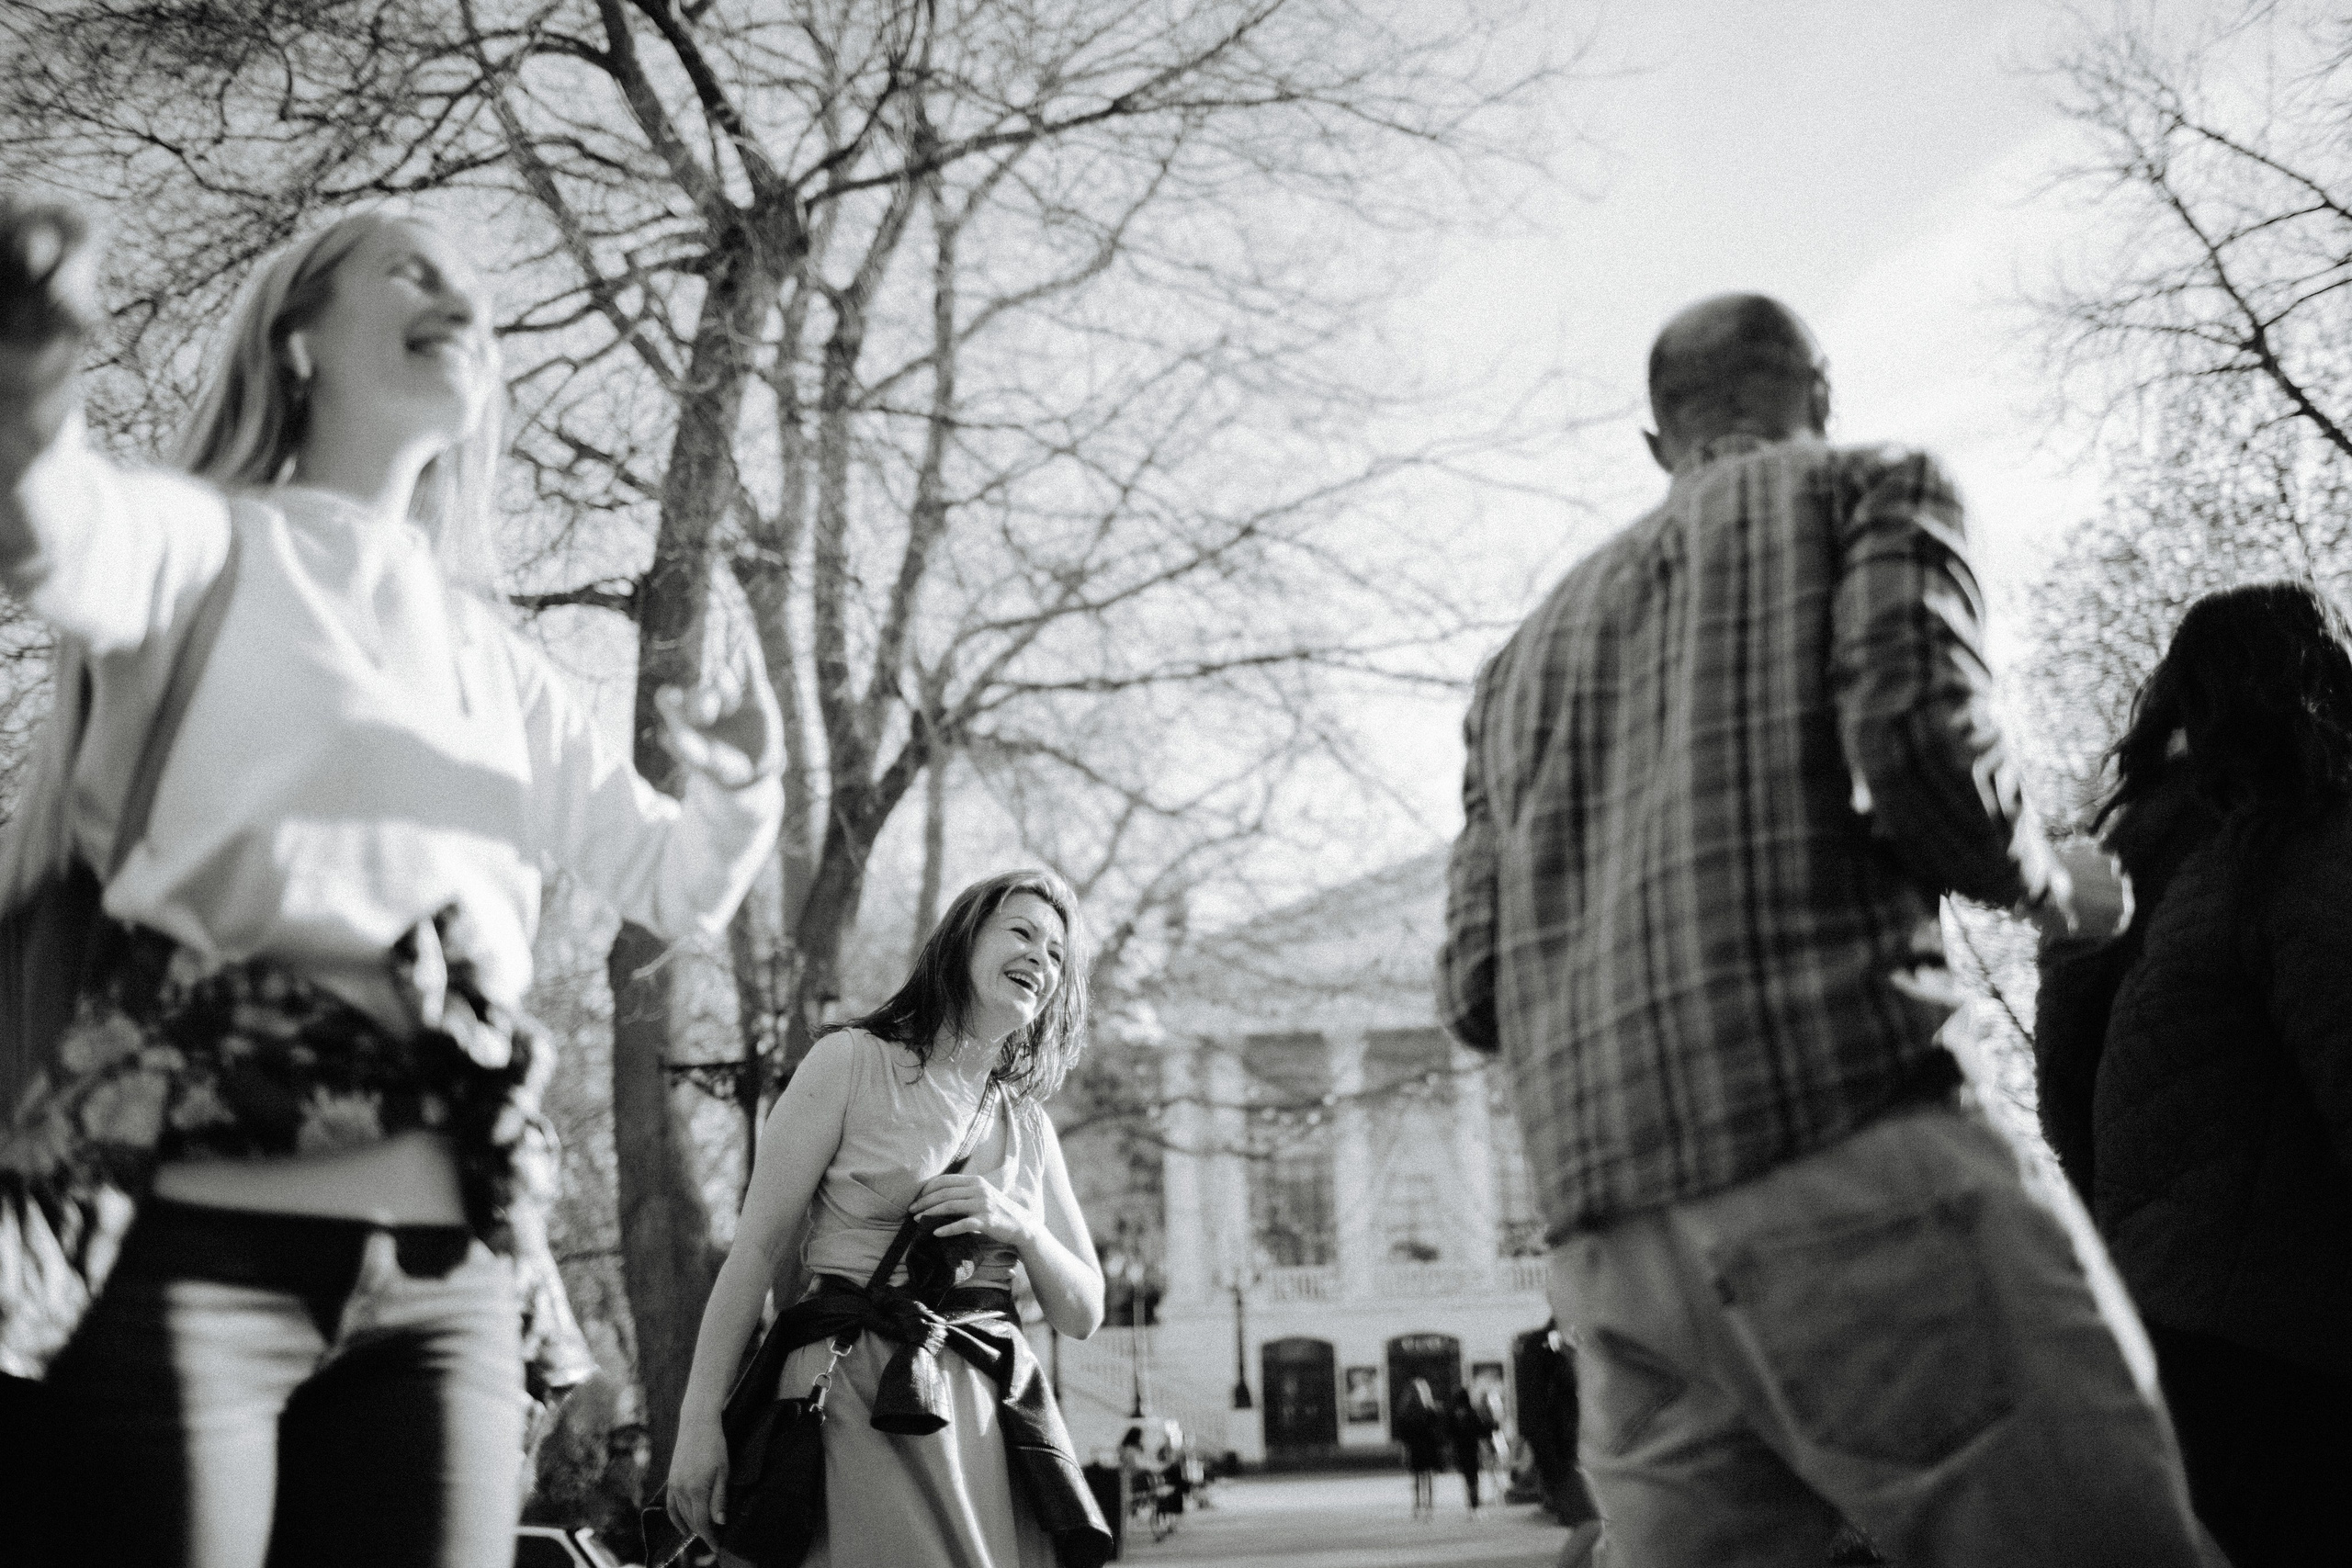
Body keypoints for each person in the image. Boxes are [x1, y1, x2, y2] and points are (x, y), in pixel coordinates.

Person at [0, 194, 781, 1568]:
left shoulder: (499, 660)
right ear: (297, 340)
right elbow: (53, 527)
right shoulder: (205, 546)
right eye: (409, 269)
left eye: (473, 286)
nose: (458, 295)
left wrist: (740, 787)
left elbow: (676, 880)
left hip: (447, 1294)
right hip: (194, 1259)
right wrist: (27, 373)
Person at [1437, 293, 2214, 1568]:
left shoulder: (1515, 664)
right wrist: (2060, 886)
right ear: (1822, 390)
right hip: (1848, 1149)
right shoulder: (1872, 488)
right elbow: (1918, 742)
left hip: (1618, 1264)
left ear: (1657, 443)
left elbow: (1476, 985)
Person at [664, 870, 1113, 1568]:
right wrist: (699, 1422)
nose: (1042, 959)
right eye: (1022, 932)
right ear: (962, 940)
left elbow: (1085, 1310)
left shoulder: (1029, 1125)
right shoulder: (848, 1062)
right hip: (854, 1392)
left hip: (986, 1418)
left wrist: (1022, 1225)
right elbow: (752, 1252)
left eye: (1058, 953)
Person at [2034, 581, 2352, 1567]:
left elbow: (2065, 1112)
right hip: (2293, 1354)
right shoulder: (2298, 829)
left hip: (2146, 1348)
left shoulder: (2114, 866)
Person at [1396, 1376, 1444, 1521]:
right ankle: (1428, 1507)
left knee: (1418, 1478)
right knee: (1427, 1478)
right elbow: (1437, 1431)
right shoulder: (1429, 1410)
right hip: (1427, 1448)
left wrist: (1405, 1450)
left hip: (1417, 1448)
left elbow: (1404, 1435)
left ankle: (1418, 1507)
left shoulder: (1407, 1411)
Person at [1445, 1385, 1494, 1514]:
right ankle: (1474, 1500)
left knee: (1467, 1476)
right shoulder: (1472, 1413)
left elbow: (1449, 1431)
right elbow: (1480, 1430)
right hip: (1472, 1448)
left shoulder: (1453, 1413)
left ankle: (1470, 1500)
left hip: (1460, 1449)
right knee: (1474, 1475)